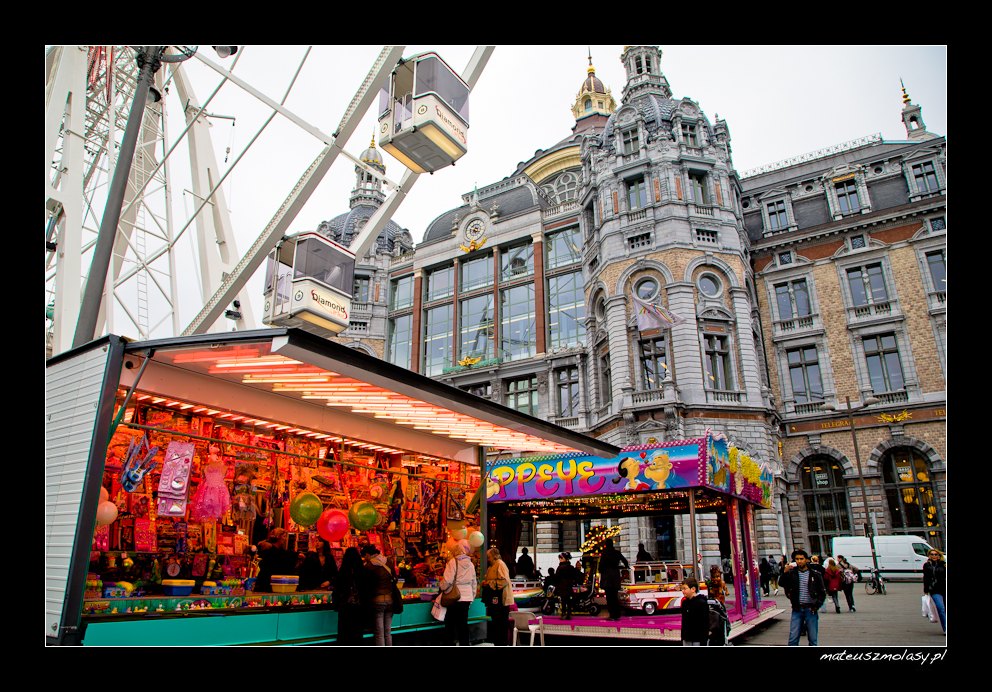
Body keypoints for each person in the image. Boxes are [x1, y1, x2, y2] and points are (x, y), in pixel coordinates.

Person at [780, 549, 826, 646]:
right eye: (797, 559)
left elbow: (822, 592)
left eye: (801, 559)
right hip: (797, 608)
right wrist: (784, 572)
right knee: (793, 638)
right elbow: (782, 583)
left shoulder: (815, 574)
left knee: (813, 639)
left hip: (811, 609)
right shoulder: (792, 573)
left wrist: (817, 605)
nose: (799, 561)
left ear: (806, 560)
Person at [441, 539, 478, 645]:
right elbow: (474, 582)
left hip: (455, 598)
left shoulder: (453, 562)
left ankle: (450, 644)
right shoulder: (470, 565)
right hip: (466, 598)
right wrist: (472, 597)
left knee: (450, 624)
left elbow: (447, 580)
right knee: (463, 624)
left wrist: (442, 587)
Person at [360, 544, 394, 646]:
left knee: (379, 633)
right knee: (388, 632)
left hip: (377, 601)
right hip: (390, 600)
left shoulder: (369, 566)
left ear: (367, 554)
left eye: (364, 556)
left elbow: (365, 585)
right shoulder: (388, 561)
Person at [333, 547, 365, 645]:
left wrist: (336, 604)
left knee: (344, 633)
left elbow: (337, 589)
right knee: (357, 633)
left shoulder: (343, 571)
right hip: (359, 607)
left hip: (345, 607)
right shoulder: (362, 571)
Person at [482, 547, 513, 645]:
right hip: (494, 600)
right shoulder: (492, 566)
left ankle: (501, 643)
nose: (488, 559)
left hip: (501, 600)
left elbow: (504, 581)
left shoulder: (500, 564)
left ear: (494, 556)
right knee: (496, 623)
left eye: (489, 557)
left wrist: (489, 583)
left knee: (501, 624)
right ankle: (497, 643)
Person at [254, 527, 297, 592]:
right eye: (284, 536)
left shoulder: (280, 550)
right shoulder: (270, 550)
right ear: (278, 537)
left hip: (275, 584)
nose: (285, 539)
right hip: (267, 584)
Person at [598, 538, 629, 621]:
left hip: (607, 577)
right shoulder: (617, 553)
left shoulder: (604, 554)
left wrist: (601, 571)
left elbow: (600, 566)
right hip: (615, 576)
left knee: (609, 597)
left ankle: (612, 614)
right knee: (615, 596)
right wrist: (622, 567)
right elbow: (625, 561)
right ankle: (617, 613)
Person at [679, 576, 710, 646]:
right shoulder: (684, 603)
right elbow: (684, 622)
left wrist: (704, 640)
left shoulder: (701, 603)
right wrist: (683, 637)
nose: (682, 591)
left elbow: (705, 624)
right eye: (682, 589)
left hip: (698, 639)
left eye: (685, 588)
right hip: (686, 638)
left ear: (693, 589)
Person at [922, 548, 946, 633]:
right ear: (929, 555)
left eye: (936, 554)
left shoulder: (944, 565)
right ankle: (945, 629)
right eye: (932, 554)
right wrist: (926, 590)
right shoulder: (926, 565)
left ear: (939, 556)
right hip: (935, 590)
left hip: (945, 588)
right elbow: (926, 578)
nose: (934, 556)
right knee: (941, 608)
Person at [554, 552, 581, 620]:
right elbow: (574, 576)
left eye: (561, 558)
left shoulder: (560, 567)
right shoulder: (570, 567)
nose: (560, 559)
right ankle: (568, 613)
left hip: (562, 586)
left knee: (563, 600)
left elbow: (557, 577)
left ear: (565, 559)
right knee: (568, 600)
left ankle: (564, 613)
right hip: (568, 585)